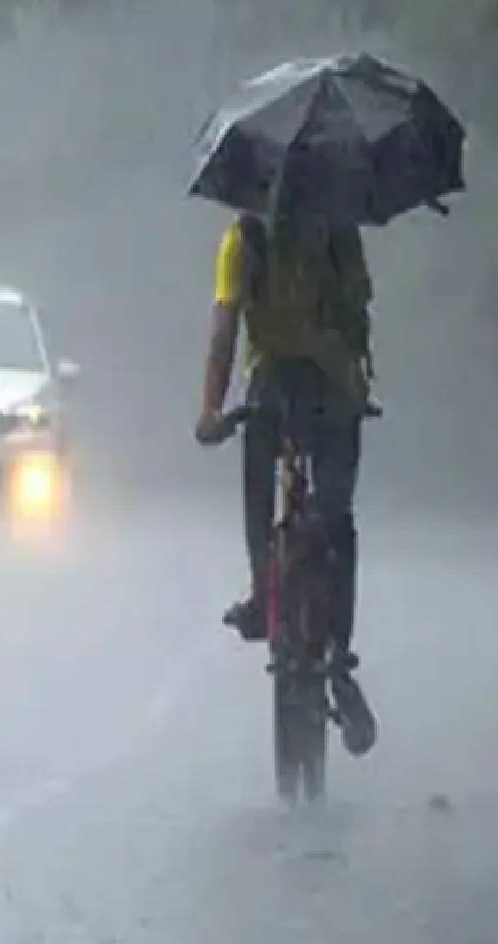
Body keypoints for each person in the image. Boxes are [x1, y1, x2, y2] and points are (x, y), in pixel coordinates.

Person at [193, 202, 374, 666]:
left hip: (272, 385)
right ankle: (340, 642)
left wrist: (212, 410)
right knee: (336, 512)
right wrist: (357, 383)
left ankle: (261, 593)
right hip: (333, 385)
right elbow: (358, 314)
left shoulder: (245, 237)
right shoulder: (340, 228)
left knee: (259, 487)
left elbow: (224, 328)